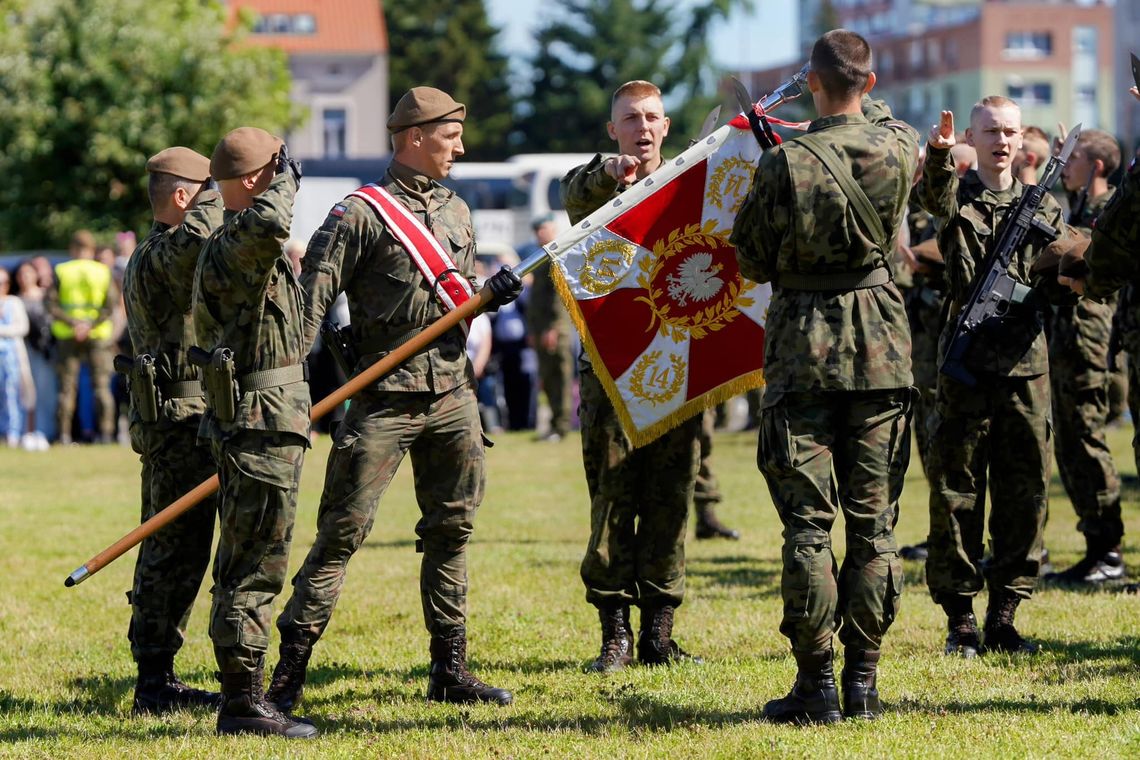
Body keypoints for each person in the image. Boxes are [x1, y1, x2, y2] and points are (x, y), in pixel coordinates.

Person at [268, 87, 519, 713]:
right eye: (450, 135)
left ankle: (450, 670)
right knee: (340, 536)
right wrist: (289, 394)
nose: (460, 146)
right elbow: (308, 311)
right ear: (413, 137)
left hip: (454, 393)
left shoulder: (459, 211)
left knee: (452, 530)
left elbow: (454, 295)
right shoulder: (359, 213)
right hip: (382, 400)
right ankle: (286, 680)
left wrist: (491, 293)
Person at [731, 30, 917, 723]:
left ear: (811, 81)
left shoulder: (787, 165)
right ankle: (863, 684)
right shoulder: (899, 147)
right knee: (874, 529)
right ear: (868, 84)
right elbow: (886, 117)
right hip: (882, 349)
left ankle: (816, 688)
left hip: (802, 350)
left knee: (808, 530)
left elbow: (749, 258)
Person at [918, 95, 1070, 659]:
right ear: (974, 140)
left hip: (1025, 366)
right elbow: (931, 196)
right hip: (965, 366)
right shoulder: (956, 194)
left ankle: (1004, 614)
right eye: (990, 132)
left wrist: (1069, 271)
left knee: (1025, 488)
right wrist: (936, 154)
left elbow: (1060, 274)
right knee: (956, 488)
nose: (1002, 141)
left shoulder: (1044, 205)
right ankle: (960, 618)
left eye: (1009, 132)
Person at [562, 79, 703, 673]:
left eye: (651, 118)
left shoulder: (689, 185)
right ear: (612, 128)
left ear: (666, 127)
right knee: (614, 498)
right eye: (630, 118)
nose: (642, 128)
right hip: (612, 372)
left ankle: (659, 634)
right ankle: (615, 632)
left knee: (670, 498)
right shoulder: (596, 188)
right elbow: (575, 193)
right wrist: (611, 174)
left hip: (678, 366)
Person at [191, 127, 316, 738]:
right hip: (258, 425)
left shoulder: (244, 245)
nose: (287, 181)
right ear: (252, 181)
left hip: (274, 419)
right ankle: (241, 702)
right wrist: (286, 180)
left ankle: (247, 696)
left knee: (263, 555)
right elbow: (270, 224)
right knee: (253, 563)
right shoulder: (235, 243)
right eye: (277, 171)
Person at [121, 146, 225, 715]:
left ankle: (159, 676)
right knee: (172, 549)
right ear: (184, 196)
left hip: (183, 416)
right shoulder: (165, 252)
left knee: (181, 547)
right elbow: (205, 229)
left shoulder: (160, 251)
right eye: (210, 188)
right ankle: (154, 682)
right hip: (175, 420)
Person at [1044, 128, 1125, 586]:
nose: (1065, 165)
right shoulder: (1078, 207)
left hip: (1089, 338)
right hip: (1068, 337)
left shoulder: (1109, 209)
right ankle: (1096, 546)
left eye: (1072, 158)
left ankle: (1109, 551)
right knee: (1072, 440)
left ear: (1095, 166)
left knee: (1087, 439)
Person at [48, 229, 118, 444]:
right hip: (97, 335)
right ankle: (106, 434)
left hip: (68, 334)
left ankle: (64, 434)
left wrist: (74, 324)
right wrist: (89, 325)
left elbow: (51, 304)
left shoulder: (62, 270)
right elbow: (110, 305)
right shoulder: (103, 271)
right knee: (101, 386)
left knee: (67, 388)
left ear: (72, 248)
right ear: (91, 249)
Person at [522, 213, 574, 442]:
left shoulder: (557, 255)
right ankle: (554, 424)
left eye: (543, 229)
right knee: (548, 378)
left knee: (560, 378)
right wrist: (533, 330)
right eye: (537, 230)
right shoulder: (542, 257)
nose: (540, 234)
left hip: (556, 330)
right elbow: (536, 301)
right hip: (541, 329)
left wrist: (553, 329)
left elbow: (558, 299)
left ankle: (562, 426)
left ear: (553, 229)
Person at [14, 258, 56, 445]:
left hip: (43, 350)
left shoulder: (46, 296)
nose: (25, 277)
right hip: (22, 350)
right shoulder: (15, 299)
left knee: (45, 391)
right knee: (23, 393)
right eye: (21, 274)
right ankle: (24, 431)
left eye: (28, 272)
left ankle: (44, 431)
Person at [0, 267, 32, 447]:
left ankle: (13, 433)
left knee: (12, 394)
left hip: (11, 358)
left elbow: (22, 328)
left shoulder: (13, 302)